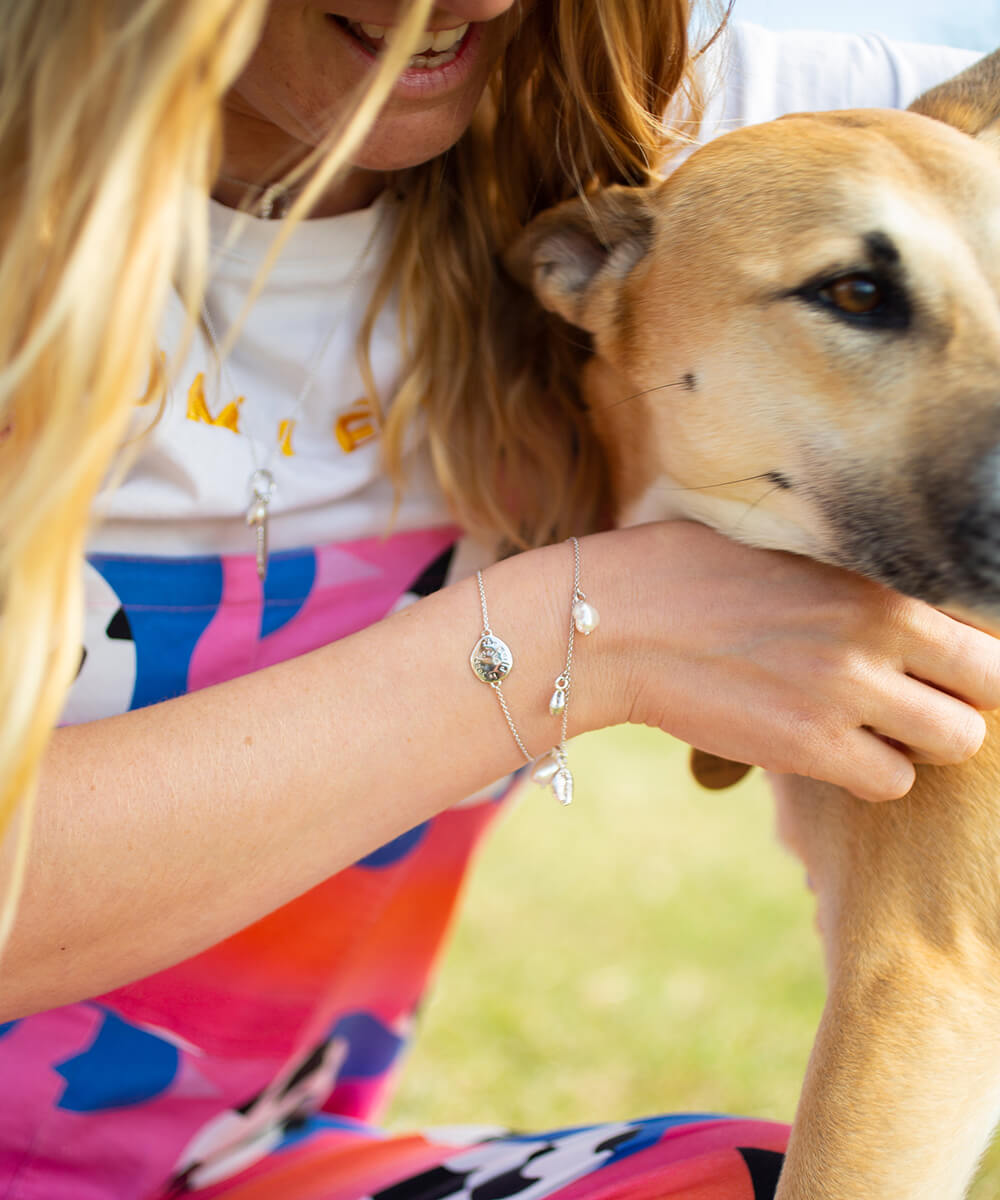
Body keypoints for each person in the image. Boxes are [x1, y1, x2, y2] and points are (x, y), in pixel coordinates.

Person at [0, 2, 997, 1197]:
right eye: (855, 300)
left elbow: (942, 973)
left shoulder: (699, 134)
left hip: (244, 1170)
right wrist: (584, 633)